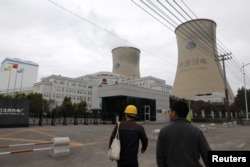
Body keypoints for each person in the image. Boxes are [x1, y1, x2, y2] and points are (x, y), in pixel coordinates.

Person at [156, 101, 211, 167]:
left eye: (170, 111)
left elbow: (160, 158)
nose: (169, 114)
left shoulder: (164, 131)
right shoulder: (196, 132)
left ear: (174, 113)